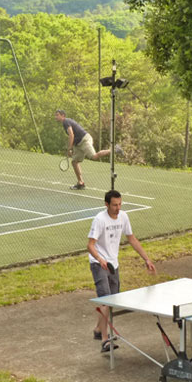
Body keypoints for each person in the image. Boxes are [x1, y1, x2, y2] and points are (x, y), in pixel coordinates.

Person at [87, 189, 156, 352]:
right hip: (99, 264)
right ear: (106, 205)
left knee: (112, 300)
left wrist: (146, 259)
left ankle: (98, 330)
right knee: (105, 299)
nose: (118, 208)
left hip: (113, 264)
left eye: (120, 204)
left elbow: (131, 238)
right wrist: (100, 259)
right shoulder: (99, 220)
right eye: (114, 205)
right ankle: (105, 340)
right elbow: (90, 245)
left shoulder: (124, 217)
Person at [54, 109, 121, 190]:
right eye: (55, 115)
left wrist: (69, 149)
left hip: (84, 140)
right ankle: (80, 183)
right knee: (74, 162)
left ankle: (114, 149)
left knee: (94, 156)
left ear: (63, 116)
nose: (56, 117)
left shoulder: (66, 121)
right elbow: (73, 136)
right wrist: (72, 147)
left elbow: (71, 135)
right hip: (78, 144)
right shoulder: (65, 123)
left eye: (57, 115)